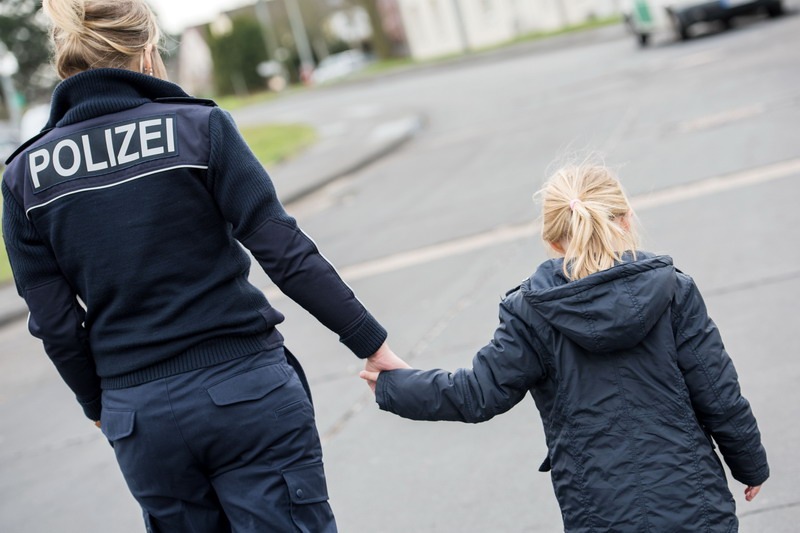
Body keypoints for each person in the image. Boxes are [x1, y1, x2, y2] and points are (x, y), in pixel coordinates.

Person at [1, 0, 408, 531]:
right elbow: (285, 253)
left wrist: (102, 406)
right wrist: (373, 347)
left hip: (139, 417)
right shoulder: (199, 128)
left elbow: (54, 322)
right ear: (147, 54)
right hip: (247, 395)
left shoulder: (24, 177)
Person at [361, 163, 769, 531]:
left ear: (553, 241)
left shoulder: (531, 312)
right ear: (625, 219)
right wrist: (750, 464)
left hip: (601, 512)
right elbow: (719, 394)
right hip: (691, 500)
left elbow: (476, 395)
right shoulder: (674, 290)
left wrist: (395, 384)